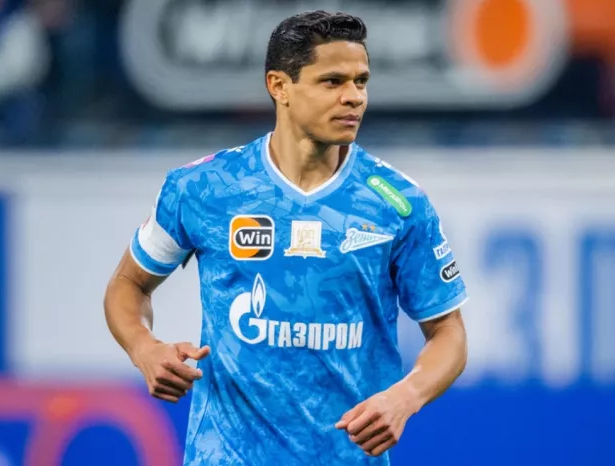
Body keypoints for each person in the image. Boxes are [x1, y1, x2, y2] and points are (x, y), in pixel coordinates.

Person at [104, 10, 469, 466]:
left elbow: (448, 332)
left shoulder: (398, 203)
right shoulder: (203, 188)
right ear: (279, 86)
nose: (354, 97)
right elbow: (128, 284)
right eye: (332, 82)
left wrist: (406, 397)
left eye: (361, 81)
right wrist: (144, 347)